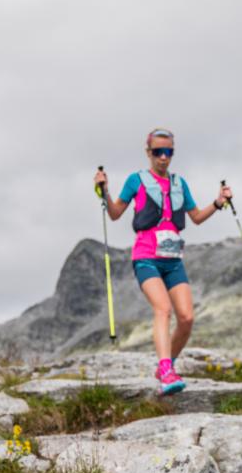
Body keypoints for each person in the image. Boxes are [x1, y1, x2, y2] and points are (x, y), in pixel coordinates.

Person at [94, 129, 232, 394]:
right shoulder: (136, 180)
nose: (163, 157)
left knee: (187, 318)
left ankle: (166, 366)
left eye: (168, 152)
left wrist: (218, 202)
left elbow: (196, 217)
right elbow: (114, 214)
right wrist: (104, 191)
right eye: (158, 152)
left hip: (173, 260)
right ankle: (167, 371)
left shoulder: (180, 183)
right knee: (163, 309)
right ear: (148, 152)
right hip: (146, 257)